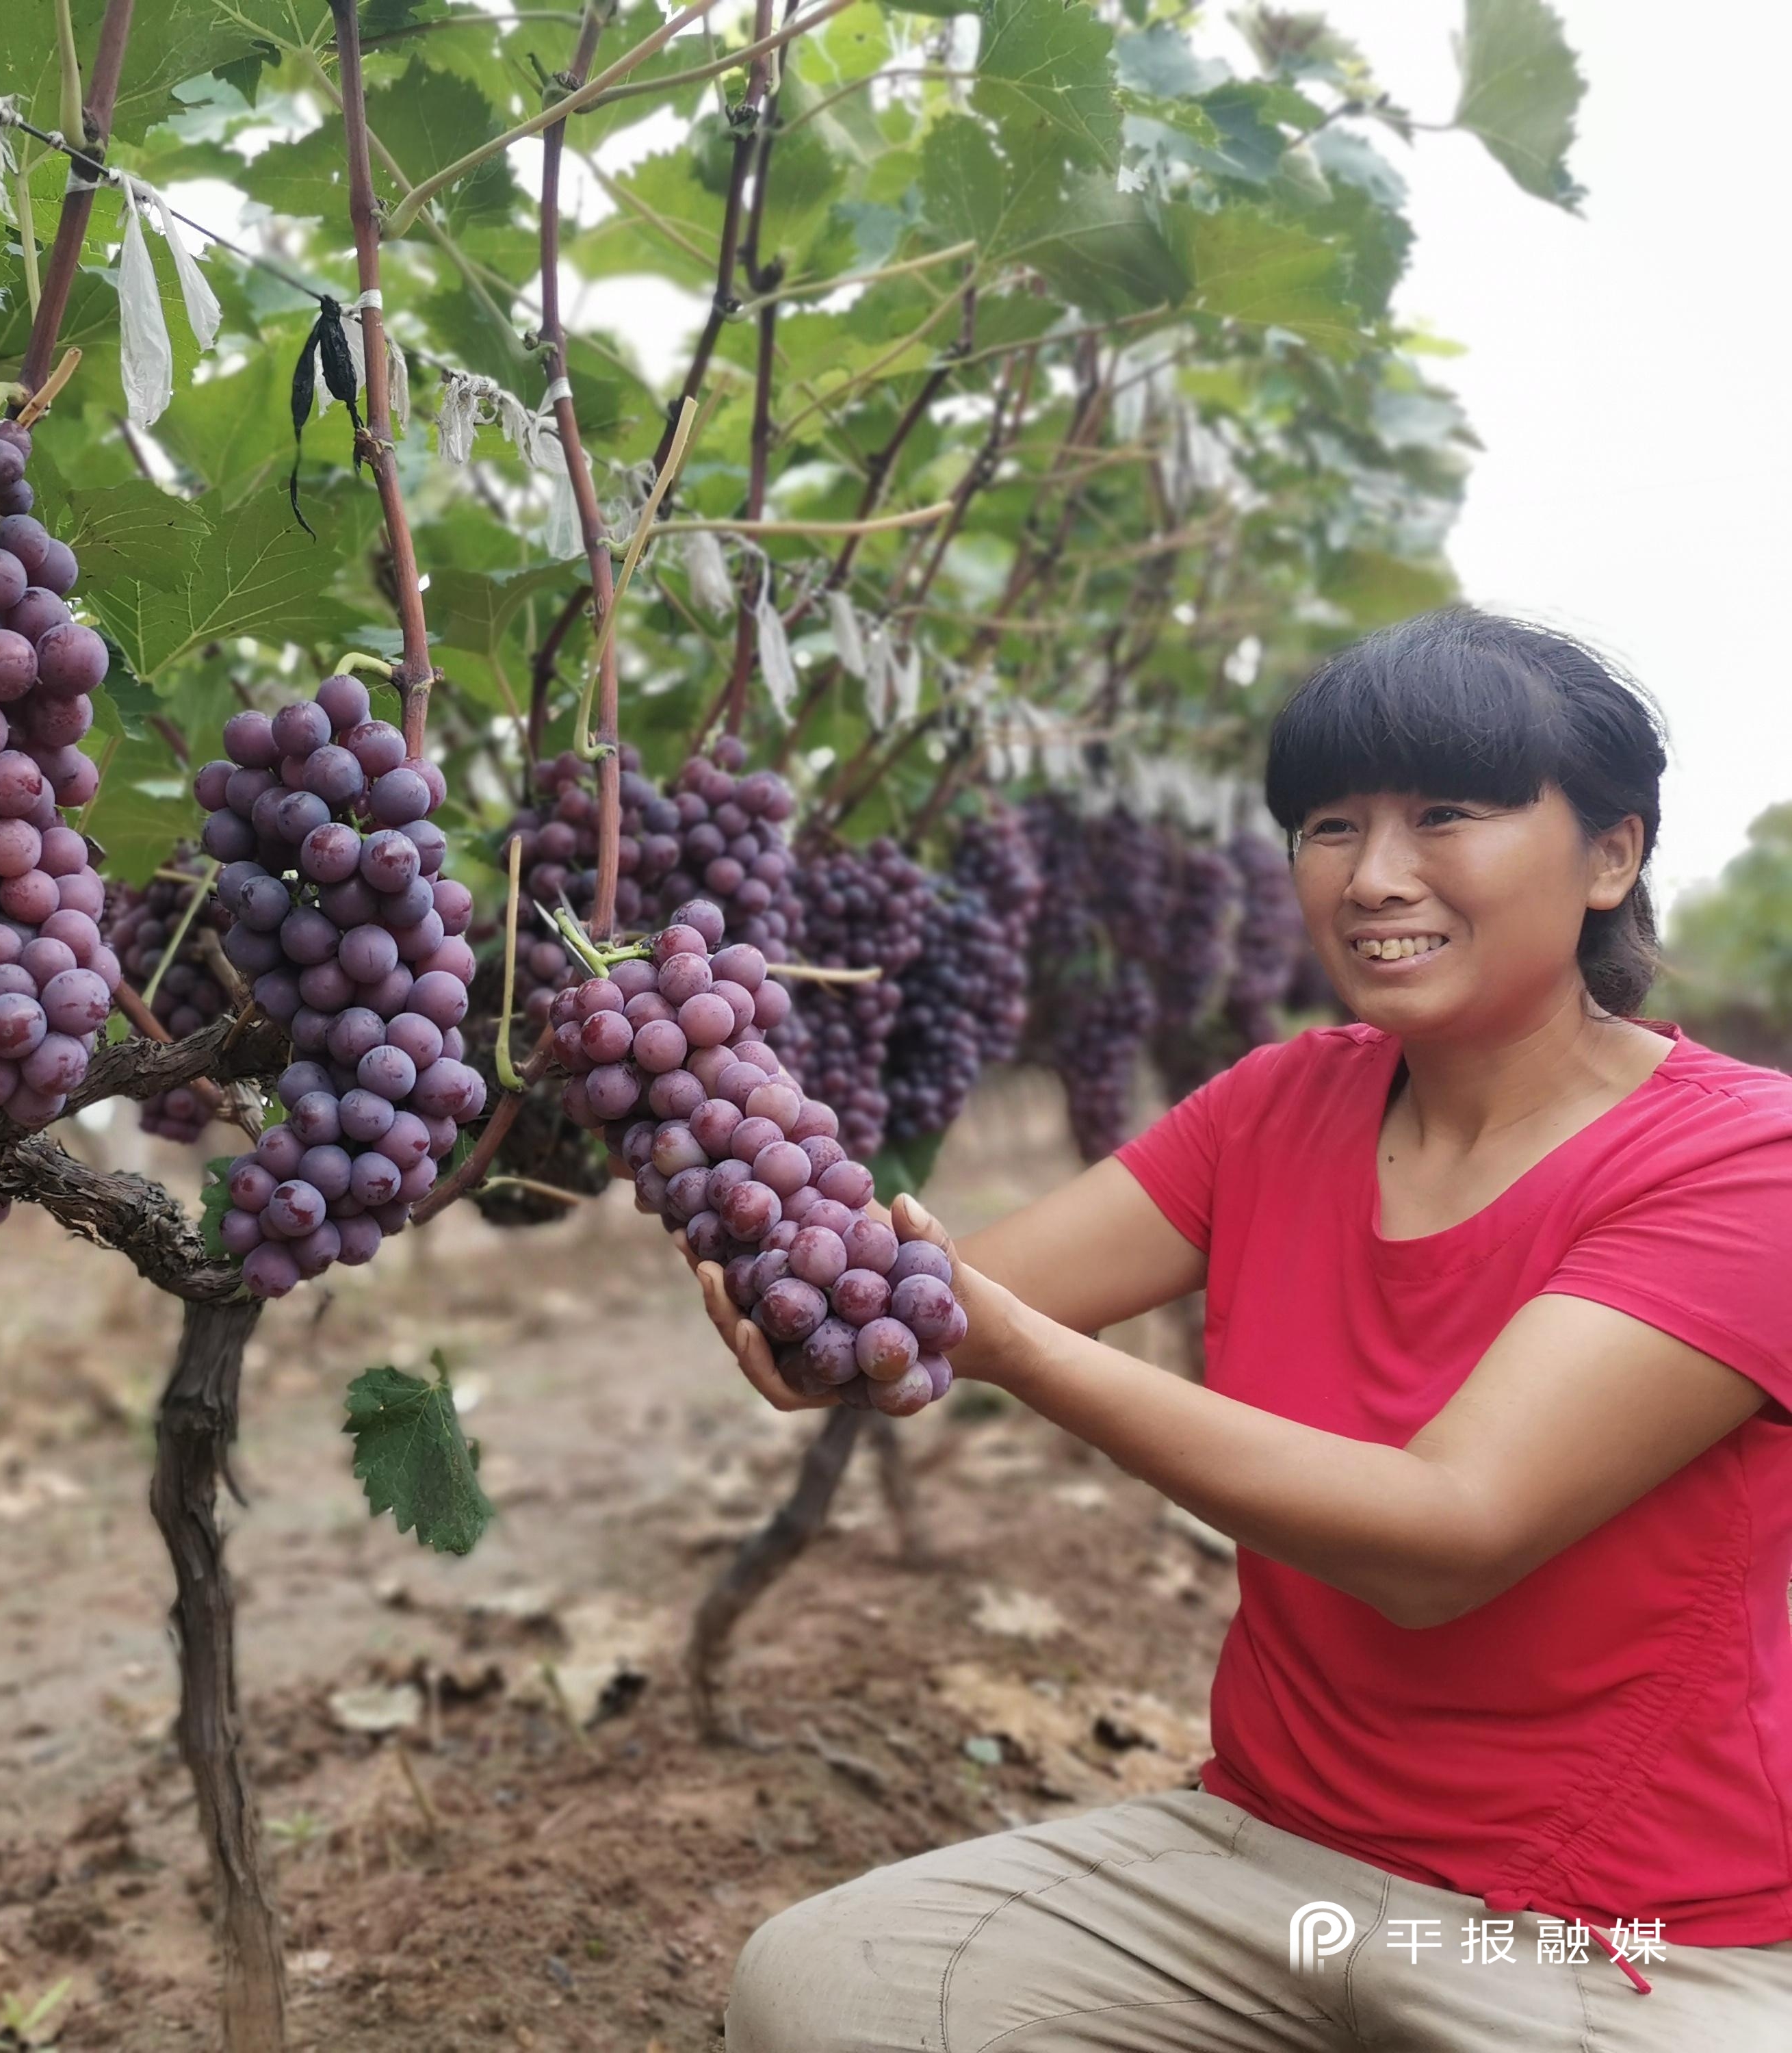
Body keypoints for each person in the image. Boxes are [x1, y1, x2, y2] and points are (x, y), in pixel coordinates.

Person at [710, 610, 1792, 2050]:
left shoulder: (1741, 1163)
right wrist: (776, 1238)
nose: (1372, 876)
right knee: (828, 1986)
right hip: (1273, 1871)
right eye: (1329, 826)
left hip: (1611, 1926)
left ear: (1611, 853)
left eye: (1446, 816)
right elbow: (954, 1292)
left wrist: (1012, 1349)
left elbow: (1444, 1537)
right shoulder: (1282, 1105)